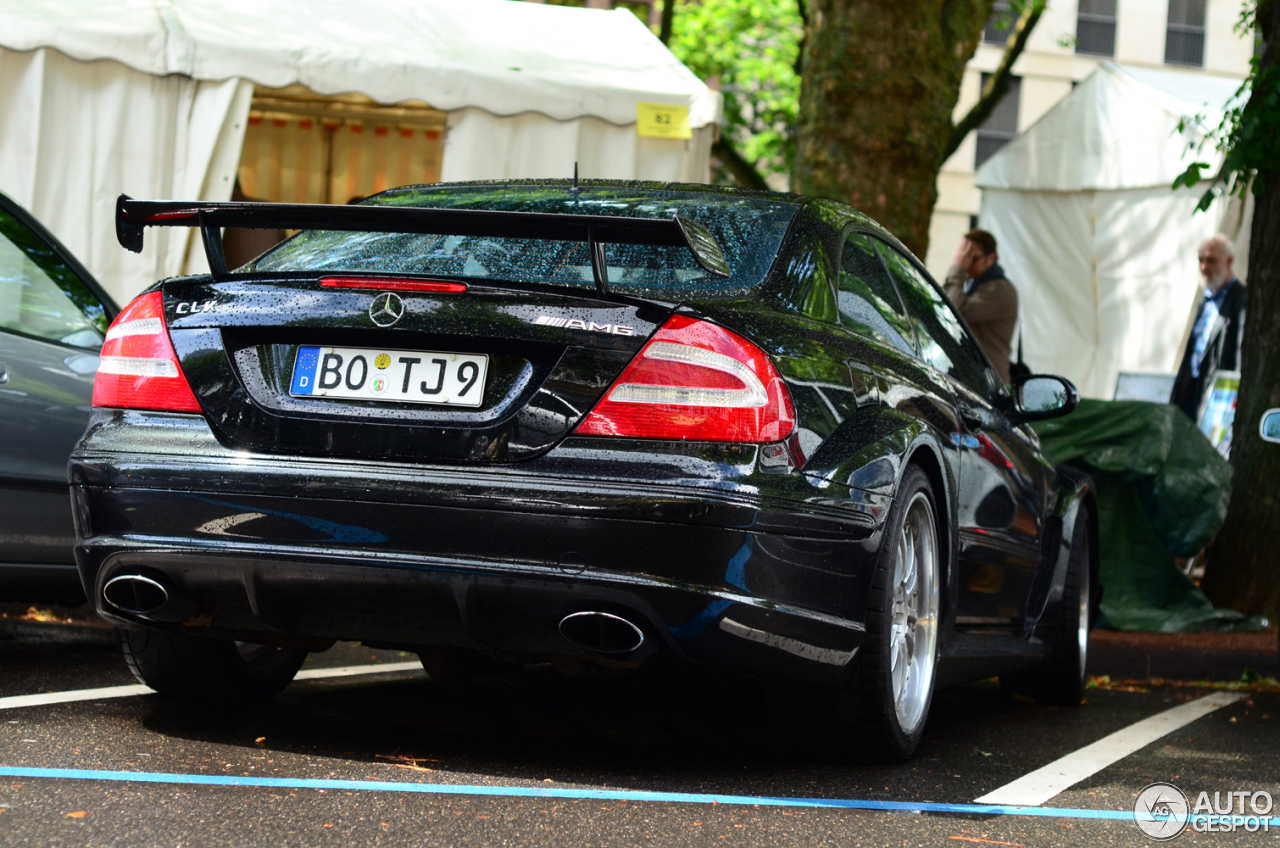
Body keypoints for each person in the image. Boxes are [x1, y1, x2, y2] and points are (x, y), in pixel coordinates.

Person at [1171, 234, 1246, 424]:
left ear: (1229, 262)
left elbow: (1240, 354)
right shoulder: (1205, 301)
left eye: (1211, 260)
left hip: (1217, 399)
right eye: (1201, 261)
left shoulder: (1242, 299)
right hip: (1191, 393)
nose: (1204, 267)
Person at [943, 229, 1018, 384]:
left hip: (989, 386)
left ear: (990, 258)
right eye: (964, 256)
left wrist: (958, 268)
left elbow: (953, 310)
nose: (967, 263)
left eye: (973, 258)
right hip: (975, 380)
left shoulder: (999, 290)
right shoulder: (975, 284)